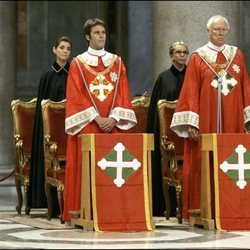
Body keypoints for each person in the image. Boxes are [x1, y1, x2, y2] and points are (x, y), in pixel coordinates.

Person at [170, 15, 250, 220]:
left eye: (224, 30)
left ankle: (235, 207)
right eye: (217, 30)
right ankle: (202, 208)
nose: (221, 33)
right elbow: (190, 92)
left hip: (233, 122)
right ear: (208, 31)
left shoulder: (237, 56)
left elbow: (245, 88)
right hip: (205, 122)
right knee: (202, 163)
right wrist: (191, 123)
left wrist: (247, 118)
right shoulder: (198, 57)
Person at [63, 18, 137, 222]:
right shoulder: (78, 64)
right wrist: (97, 119)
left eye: (103, 32)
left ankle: (113, 209)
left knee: (114, 169)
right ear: (87, 36)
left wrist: (113, 118)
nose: (101, 36)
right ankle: (86, 210)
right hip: (89, 125)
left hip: (112, 126)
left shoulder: (117, 62)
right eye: (96, 32)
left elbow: (123, 93)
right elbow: (76, 96)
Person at [28, 36, 72, 217]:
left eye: (68, 49)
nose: (65, 51)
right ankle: (49, 203)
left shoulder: (75, 74)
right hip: (51, 131)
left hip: (69, 128)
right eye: (62, 47)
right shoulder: (47, 75)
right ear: (54, 50)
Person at [146, 41, 189, 217]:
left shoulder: (192, 76)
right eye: (178, 52)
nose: (182, 55)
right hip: (169, 135)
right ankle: (165, 205)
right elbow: (156, 114)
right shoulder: (163, 78)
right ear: (171, 55)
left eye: (185, 52)